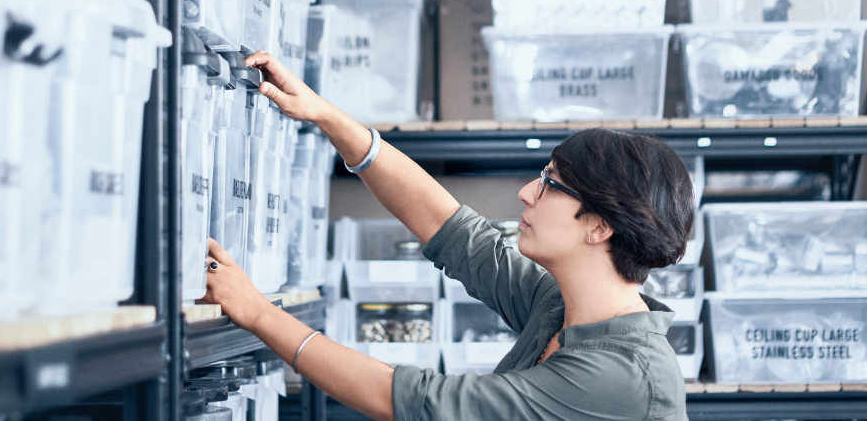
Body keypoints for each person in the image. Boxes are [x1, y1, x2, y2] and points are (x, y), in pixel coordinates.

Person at [200, 51, 695, 421]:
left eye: (550, 183)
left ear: (600, 226)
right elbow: (453, 229)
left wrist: (257, 312)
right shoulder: (562, 307)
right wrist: (327, 116)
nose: (526, 193)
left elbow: (416, 401)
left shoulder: (622, 377)